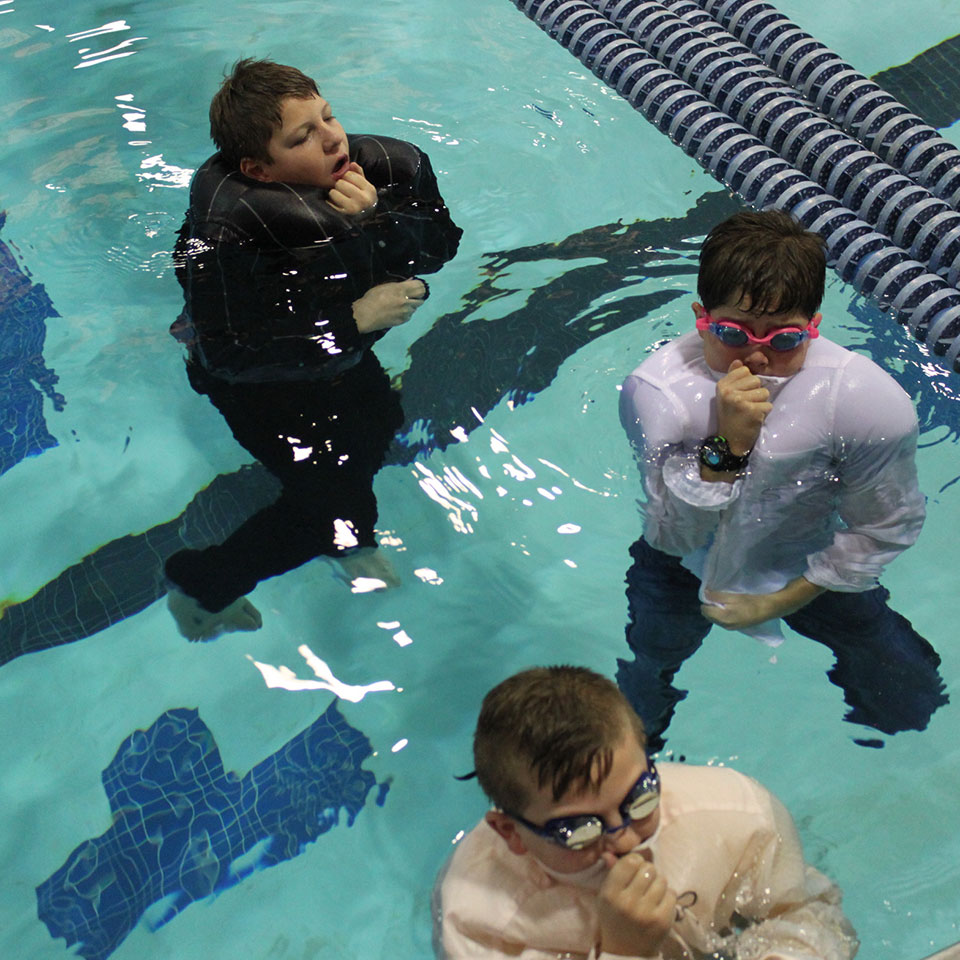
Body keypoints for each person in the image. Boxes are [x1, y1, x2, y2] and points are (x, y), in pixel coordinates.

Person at [617, 209, 947, 748]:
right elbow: (673, 535)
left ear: (814, 326)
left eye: (785, 338)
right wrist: (728, 446)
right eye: (730, 332)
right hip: (676, 570)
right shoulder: (659, 396)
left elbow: (883, 527)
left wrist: (780, 601)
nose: (756, 354)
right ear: (700, 316)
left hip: (809, 560)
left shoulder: (866, 402)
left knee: (909, 707)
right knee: (643, 690)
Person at [163, 59, 461, 640]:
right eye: (302, 137)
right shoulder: (228, 233)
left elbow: (435, 251)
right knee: (322, 500)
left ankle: (351, 535)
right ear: (259, 169)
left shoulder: (366, 185)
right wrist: (349, 324)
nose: (332, 138)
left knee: (379, 423)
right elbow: (229, 353)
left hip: (338, 368)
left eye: (328, 116)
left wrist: (378, 220)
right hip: (260, 390)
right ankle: (202, 585)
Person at [435, 665, 858, 959]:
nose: (626, 838)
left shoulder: (736, 814)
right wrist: (624, 952)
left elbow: (810, 914)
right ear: (509, 831)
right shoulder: (480, 921)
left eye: (639, 797)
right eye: (580, 829)